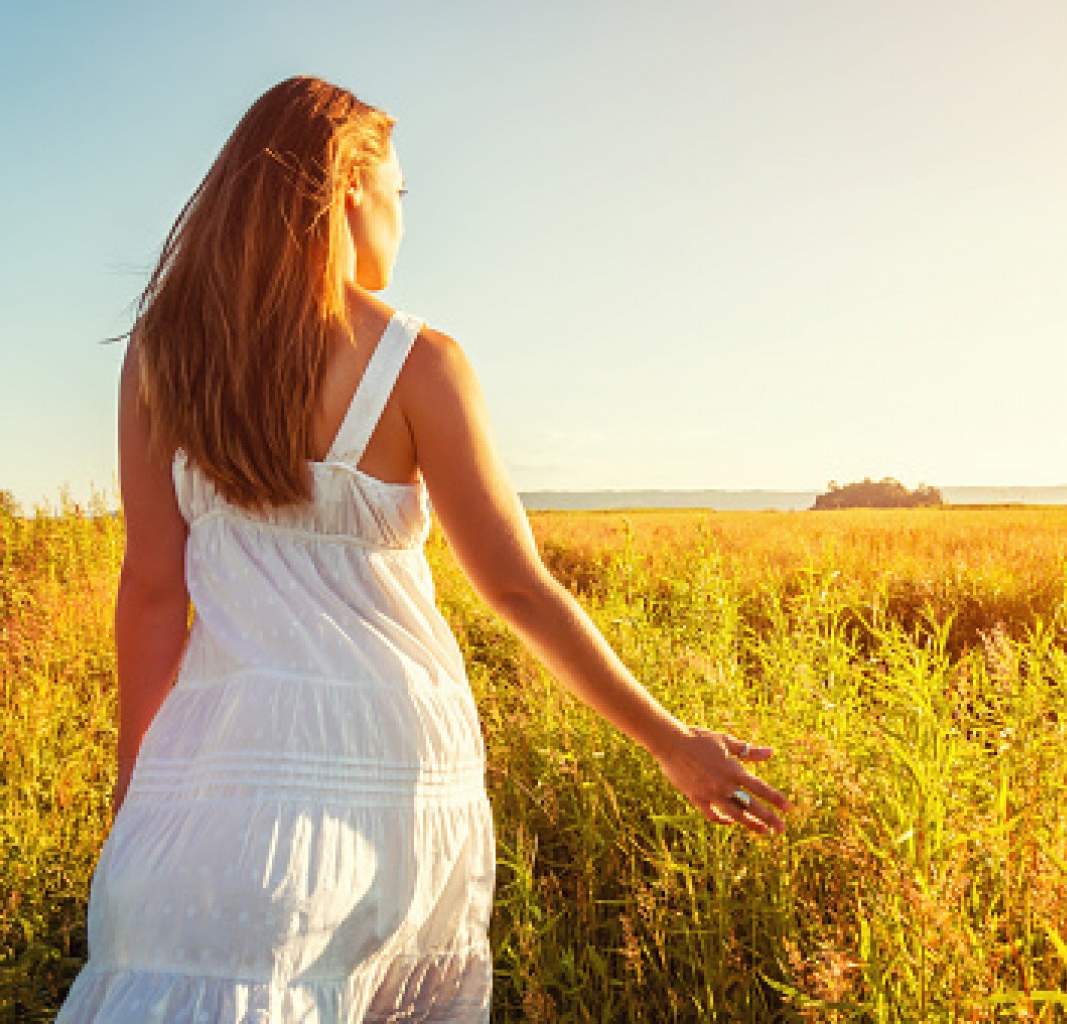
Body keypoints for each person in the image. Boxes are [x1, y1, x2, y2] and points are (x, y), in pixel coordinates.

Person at [55, 74, 791, 1022]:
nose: (404, 215)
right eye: (399, 191)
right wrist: (670, 741)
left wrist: (138, 792)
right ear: (349, 186)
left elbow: (152, 591)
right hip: (390, 760)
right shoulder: (419, 363)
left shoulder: (164, 354)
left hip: (215, 766)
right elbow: (519, 590)